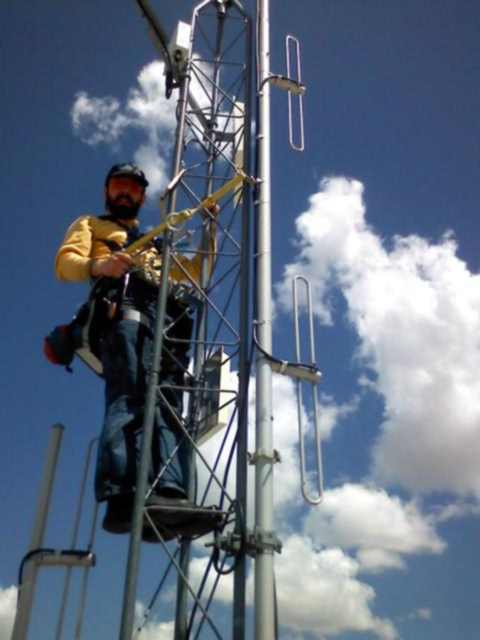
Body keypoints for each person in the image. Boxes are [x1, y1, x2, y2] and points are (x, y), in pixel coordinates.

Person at [55, 163, 219, 539]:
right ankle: (123, 497)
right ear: (107, 192)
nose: (125, 193)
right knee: (131, 399)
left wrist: (209, 229)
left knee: (167, 406)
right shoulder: (93, 226)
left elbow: (197, 273)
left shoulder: (156, 243)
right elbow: (65, 264)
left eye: (132, 188)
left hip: (166, 330)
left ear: (142, 197)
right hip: (124, 318)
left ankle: (168, 492)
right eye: (118, 186)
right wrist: (101, 265)